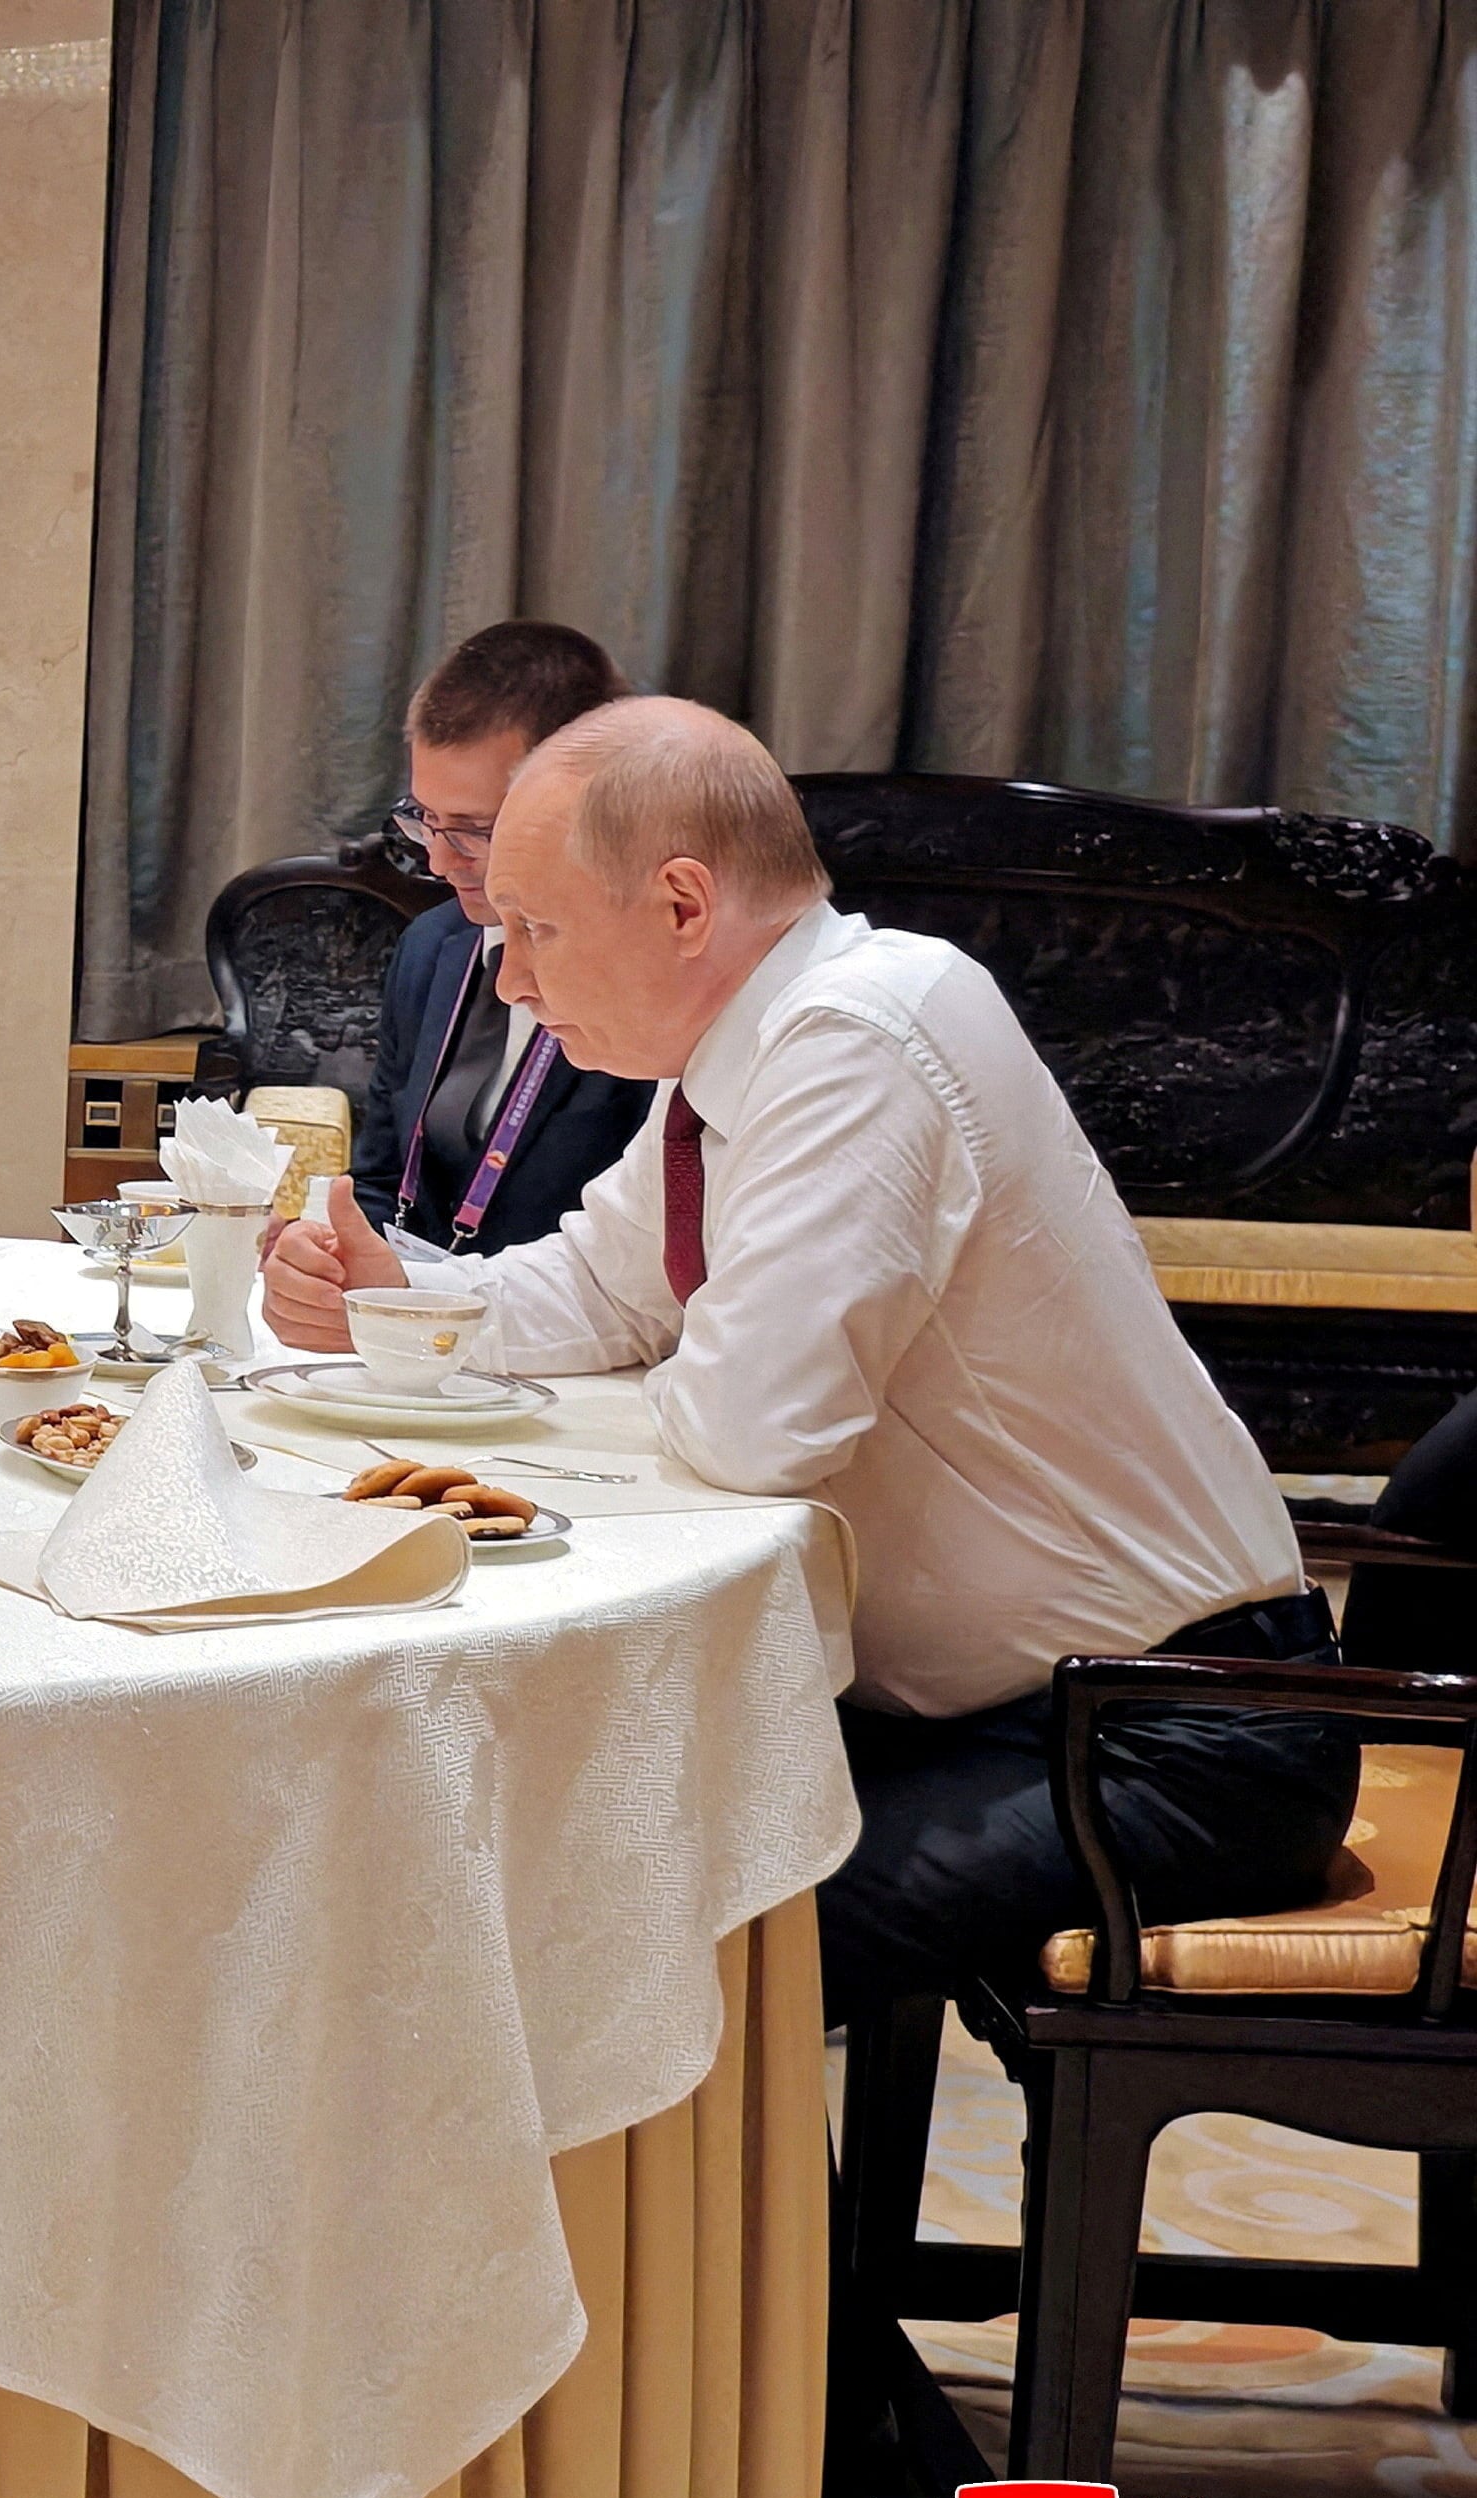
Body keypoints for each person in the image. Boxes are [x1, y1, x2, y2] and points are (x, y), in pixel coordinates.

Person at [271, 696, 1350, 2015]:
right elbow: (605, 1291)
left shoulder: (858, 1038)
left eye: (538, 929)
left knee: (634, 1950)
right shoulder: (741, 1052)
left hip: (1172, 1740)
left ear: (682, 905)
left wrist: (656, 1366)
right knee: (540, 1834)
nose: (510, 980)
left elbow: (756, 1428)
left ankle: (693, 2168)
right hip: (999, 1714)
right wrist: (397, 1303)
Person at [348, 621, 656, 1255]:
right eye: (425, 819)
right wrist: (330, 1252)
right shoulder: (432, 947)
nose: (439, 862)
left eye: (475, 830)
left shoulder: (657, 979)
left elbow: (647, 1257)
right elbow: (383, 1184)